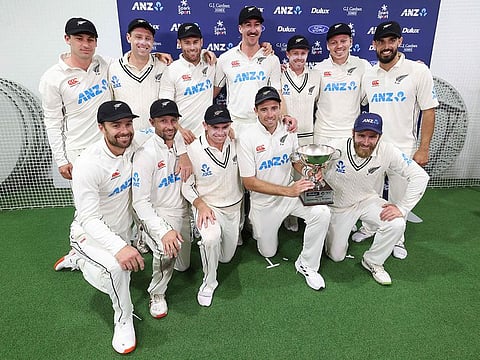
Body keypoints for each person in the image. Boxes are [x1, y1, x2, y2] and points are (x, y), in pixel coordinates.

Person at [67, 100, 182, 354]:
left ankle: (86, 260)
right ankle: (123, 317)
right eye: (115, 125)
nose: (124, 131)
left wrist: (186, 152)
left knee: (161, 249)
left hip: (124, 231)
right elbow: (89, 219)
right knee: (116, 270)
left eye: (128, 124)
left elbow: (168, 130)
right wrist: (120, 248)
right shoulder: (88, 164)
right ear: (101, 128)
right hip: (88, 233)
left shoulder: (135, 141)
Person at [356, 20, 439, 259]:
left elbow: (429, 110)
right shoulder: (369, 73)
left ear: (400, 41)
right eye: (381, 41)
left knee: (398, 197)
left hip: (403, 146)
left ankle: (397, 239)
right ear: (374, 45)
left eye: (391, 40)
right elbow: (360, 104)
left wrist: (424, 148)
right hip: (372, 148)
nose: (386, 46)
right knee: (370, 194)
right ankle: (371, 227)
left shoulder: (418, 71)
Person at [236, 86, 331, 290]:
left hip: (289, 197)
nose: (270, 114)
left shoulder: (288, 130)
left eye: (273, 108)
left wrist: (308, 171)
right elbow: (249, 182)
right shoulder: (246, 137)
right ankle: (257, 227)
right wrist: (288, 191)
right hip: (264, 204)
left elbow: (294, 160)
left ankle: (307, 265)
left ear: (280, 108)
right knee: (267, 252)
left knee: (322, 212)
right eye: (264, 109)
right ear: (255, 111)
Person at [39, 17, 112, 270]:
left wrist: (158, 56)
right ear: (67, 39)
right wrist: (61, 159)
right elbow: (52, 120)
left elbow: (130, 67)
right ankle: (77, 253)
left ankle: (111, 246)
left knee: (113, 200)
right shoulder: (53, 77)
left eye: (90, 39)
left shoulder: (102, 64)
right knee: (85, 208)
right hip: (79, 152)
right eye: (79, 39)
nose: (85, 44)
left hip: (110, 147)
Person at [322, 112, 429, 285]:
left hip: (366, 201)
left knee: (397, 223)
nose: (365, 142)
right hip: (339, 207)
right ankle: (332, 233)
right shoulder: (336, 147)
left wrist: (402, 208)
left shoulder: (387, 150)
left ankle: (373, 261)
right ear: (352, 133)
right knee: (336, 256)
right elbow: (311, 165)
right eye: (361, 135)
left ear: (379, 136)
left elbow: (420, 176)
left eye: (372, 137)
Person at [132, 99, 191, 318]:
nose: (168, 125)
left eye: (173, 121)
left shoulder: (178, 140)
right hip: (157, 212)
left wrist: (184, 156)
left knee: (183, 267)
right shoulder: (145, 154)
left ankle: (144, 237)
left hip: (180, 209)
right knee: (168, 250)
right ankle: (157, 293)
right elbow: (139, 202)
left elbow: (181, 142)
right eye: (163, 121)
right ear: (152, 122)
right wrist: (162, 231)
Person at [181, 104, 243, 307]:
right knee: (210, 239)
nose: (220, 132)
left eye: (225, 127)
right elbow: (186, 186)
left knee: (225, 258)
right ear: (205, 126)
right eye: (215, 127)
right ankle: (209, 283)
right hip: (209, 208)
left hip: (234, 207)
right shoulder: (192, 150)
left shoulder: (236, 142)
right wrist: (200, 204)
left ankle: (215, 252)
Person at [213, 6, 294, 137]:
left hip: (263, 125)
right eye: (247, 25)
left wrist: (285, 115)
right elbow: (211, 93)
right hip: (235, 126)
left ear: (261, 28)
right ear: (240, 28)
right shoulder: (225, 59)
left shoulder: (271, 59)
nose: (252, 30)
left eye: (256, 25)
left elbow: (278, 92)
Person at [280, 34, 322, 232]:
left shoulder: (316, 75)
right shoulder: (279, 75)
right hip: (285, 135)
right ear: (287, 54)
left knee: (305, 177)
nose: (299, 57)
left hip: (308, 135)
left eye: (302, 53)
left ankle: (308, 216)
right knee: (286, 177)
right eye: (295, 53)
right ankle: (289, 218)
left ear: (308, 54)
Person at [313, 22, 371, 148]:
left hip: (351, 134)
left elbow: (380, 82)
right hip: (323, 134)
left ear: (351, 41)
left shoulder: (363, 65)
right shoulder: (318, 69)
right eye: (334, 42)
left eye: (343, 41)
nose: (339, 46)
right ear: (327, 45)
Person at [159, 22, 216, 146]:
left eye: (195, 42)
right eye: (187, 43)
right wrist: (180, 130)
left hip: (208, 138)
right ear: (179, 43)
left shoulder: (210, 63)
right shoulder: (171, 70)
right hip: (182, 138)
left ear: (201, 42)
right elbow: (165, 109)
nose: (192, 47)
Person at [109, 18, 168, 131]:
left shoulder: (163, 66)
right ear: (128, 37)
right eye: (138, 37)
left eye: (148, 38)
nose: (143, 42)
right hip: (126, 136)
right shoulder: (113, 68)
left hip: (156, 136)